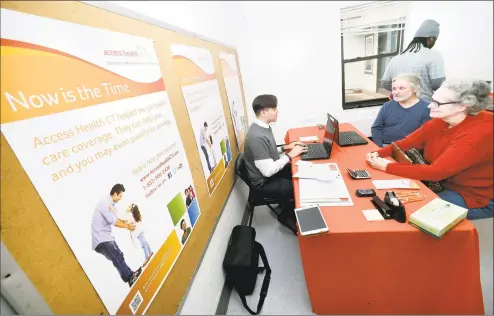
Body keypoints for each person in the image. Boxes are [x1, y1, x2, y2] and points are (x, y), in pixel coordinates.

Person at [366, 79, 493, 220]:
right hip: (443, 181)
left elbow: (436, 172)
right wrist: (376, 153)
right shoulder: (442, 119)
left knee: (411, 213)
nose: (430, 106)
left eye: (438, 103)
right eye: (432, 100)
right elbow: (406, 142)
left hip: (472, 193)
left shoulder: (477, 133)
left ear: (463, 106)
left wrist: (387, 166)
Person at [243, 94, 308, 234]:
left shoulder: (263, 127)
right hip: (263, 181)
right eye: (274, 108)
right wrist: (290, 155)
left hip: (269, 171)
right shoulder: (257, 136)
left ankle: (285, 202)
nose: (277, 111)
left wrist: (285, 148)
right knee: (297, 188)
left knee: (299, 171)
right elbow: (267, 171)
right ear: (264, 111)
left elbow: (267, 153)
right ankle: (286, 216)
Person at [381, 19, 445, 102]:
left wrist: (403, 92)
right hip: (423, 106)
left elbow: (385, 83)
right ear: (431, 38)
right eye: (434, 41)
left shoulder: (396, 58)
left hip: (399, 104)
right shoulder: (433, 55)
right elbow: (437, 84)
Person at [91, 184, 142, 287]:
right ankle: (129, 278)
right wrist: (127, 226)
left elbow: (117, 219)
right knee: (116, 256)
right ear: (114, 194)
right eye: (120, 196)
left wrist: (127, 222)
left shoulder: (110, 205)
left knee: (118, 255)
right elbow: (114, 222)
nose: (120, 199)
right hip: (101, 239)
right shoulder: (104, 204)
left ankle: (130, 275)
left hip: (105, 237)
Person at [371, 73, 431, 147]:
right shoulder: (387, 106)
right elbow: (376, 128)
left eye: (401, 88)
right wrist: (379, 147)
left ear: (415, 89)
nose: (396, 92)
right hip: (384, 145)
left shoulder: (426, 108)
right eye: (394, 89)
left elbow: (423, 137)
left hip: (408, 150)